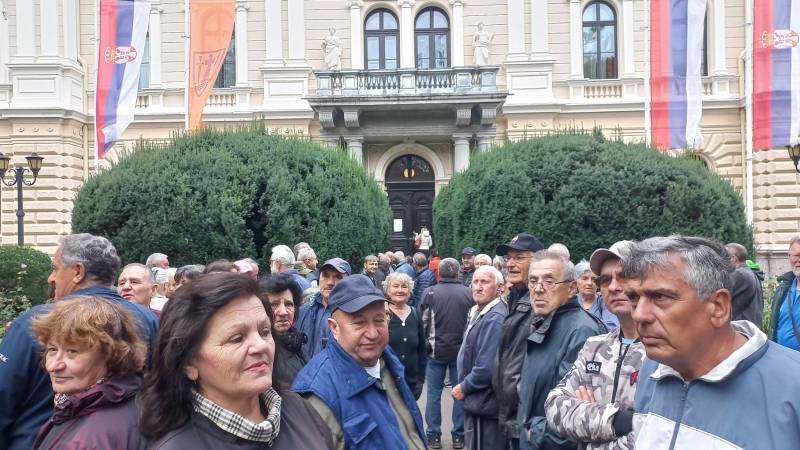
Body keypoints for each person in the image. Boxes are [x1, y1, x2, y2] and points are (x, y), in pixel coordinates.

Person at [624, 235, 800, 449]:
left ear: (718, 306)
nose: (639, 315)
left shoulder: (792, 385)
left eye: (660, 297)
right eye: (633, 298)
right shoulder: (653, 370)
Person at [0, 233, 159, 450]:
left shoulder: (38, 320)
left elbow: (4, 393)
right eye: (52, 350)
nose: (51, 278)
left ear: (77, 271)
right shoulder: (148, 319)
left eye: (55, 268)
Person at [139, 273, 334, 449]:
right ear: (189, 363)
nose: (261, 346)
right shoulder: (177, 445)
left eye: (265, 331)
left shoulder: (297, 407)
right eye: (237, 338)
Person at [293, 275, 427, 450]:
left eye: (379, 320)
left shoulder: (387, 360)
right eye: (359, 323)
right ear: (334, 327)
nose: (372, 333)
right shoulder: (318, 397)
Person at [544, 241, 645, 450]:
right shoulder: (595, 347)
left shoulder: (664, 354)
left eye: (624, 276)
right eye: (606, 280)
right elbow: (554, 406)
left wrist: (589, 422)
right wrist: (621, 421)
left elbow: (653, 433)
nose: (615, 287)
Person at [30, 296, 147, 449]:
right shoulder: (130, 398)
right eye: (52, 349)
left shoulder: (87, 441)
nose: (53, 366)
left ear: (110, 354)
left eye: (72, 351)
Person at [518, 250, 605, 450]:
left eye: (549, 281)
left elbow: (579, 411)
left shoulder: (582, 331)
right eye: (533, 281)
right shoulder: (544, 321)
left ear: (571, 288)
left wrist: (536, 432)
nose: (538, 289)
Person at [492, 233, 544, 450]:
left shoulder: (540, 302)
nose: (511, 264)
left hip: (526, 416)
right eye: (508, 258)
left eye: (519, 257)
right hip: (509, 412)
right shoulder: (515, 297)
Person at [419, 258, 473, 449]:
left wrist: (424, 344)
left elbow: (422, 323)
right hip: (461, 354)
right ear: (458, 273)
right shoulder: (469, 293)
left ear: (439, 273)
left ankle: (433, 434)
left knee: (433, 394)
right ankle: (458, 435)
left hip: (435, 352)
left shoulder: (430, 293)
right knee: (459, 394)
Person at [454, 266, 508, 450]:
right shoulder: (478, 311)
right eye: (475, 282)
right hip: (477, 402)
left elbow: (486, 367)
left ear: (500, 288)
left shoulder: (495, 318)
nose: (477, 287)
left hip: (484, 403)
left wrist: (465, 386)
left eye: (484, 282)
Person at [295, 258, 351, 360]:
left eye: (338, 277)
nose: (330, 282)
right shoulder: (303, 310)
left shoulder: (352, 315)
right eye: (325, 275)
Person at [384, 272, 427, 399]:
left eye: (404, 286)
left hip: (411, 382)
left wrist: (421, 379)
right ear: (387, 289)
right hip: (388, 382)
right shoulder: (382, 314)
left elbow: (422, 349)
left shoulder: (415, 313)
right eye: (395, 286)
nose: (400, 290)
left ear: (409, 290)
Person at [261, 274, 307, 382]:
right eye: (274, 304)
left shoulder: (296, 340)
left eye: (288, 304)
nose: (283, 312)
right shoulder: (263, 353)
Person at [769, 235, 800, 349]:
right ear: (789, 257)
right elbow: (774, 326)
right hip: (781, 359)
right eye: (796, 255)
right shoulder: (783, 288)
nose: (799, 260)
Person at [725, 242, 764, 328]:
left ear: (733, 258)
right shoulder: (749, 272)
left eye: (723, 257)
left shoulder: (740, 274)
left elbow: (720, 296)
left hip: (742, 331)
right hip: (749, 329)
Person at [574, 260, 619, 330]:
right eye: (585, 278)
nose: (589, 283)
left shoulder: (604, 302)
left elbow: (612, 326)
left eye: (593, 279)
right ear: (576, 282)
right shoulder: (570, 302)